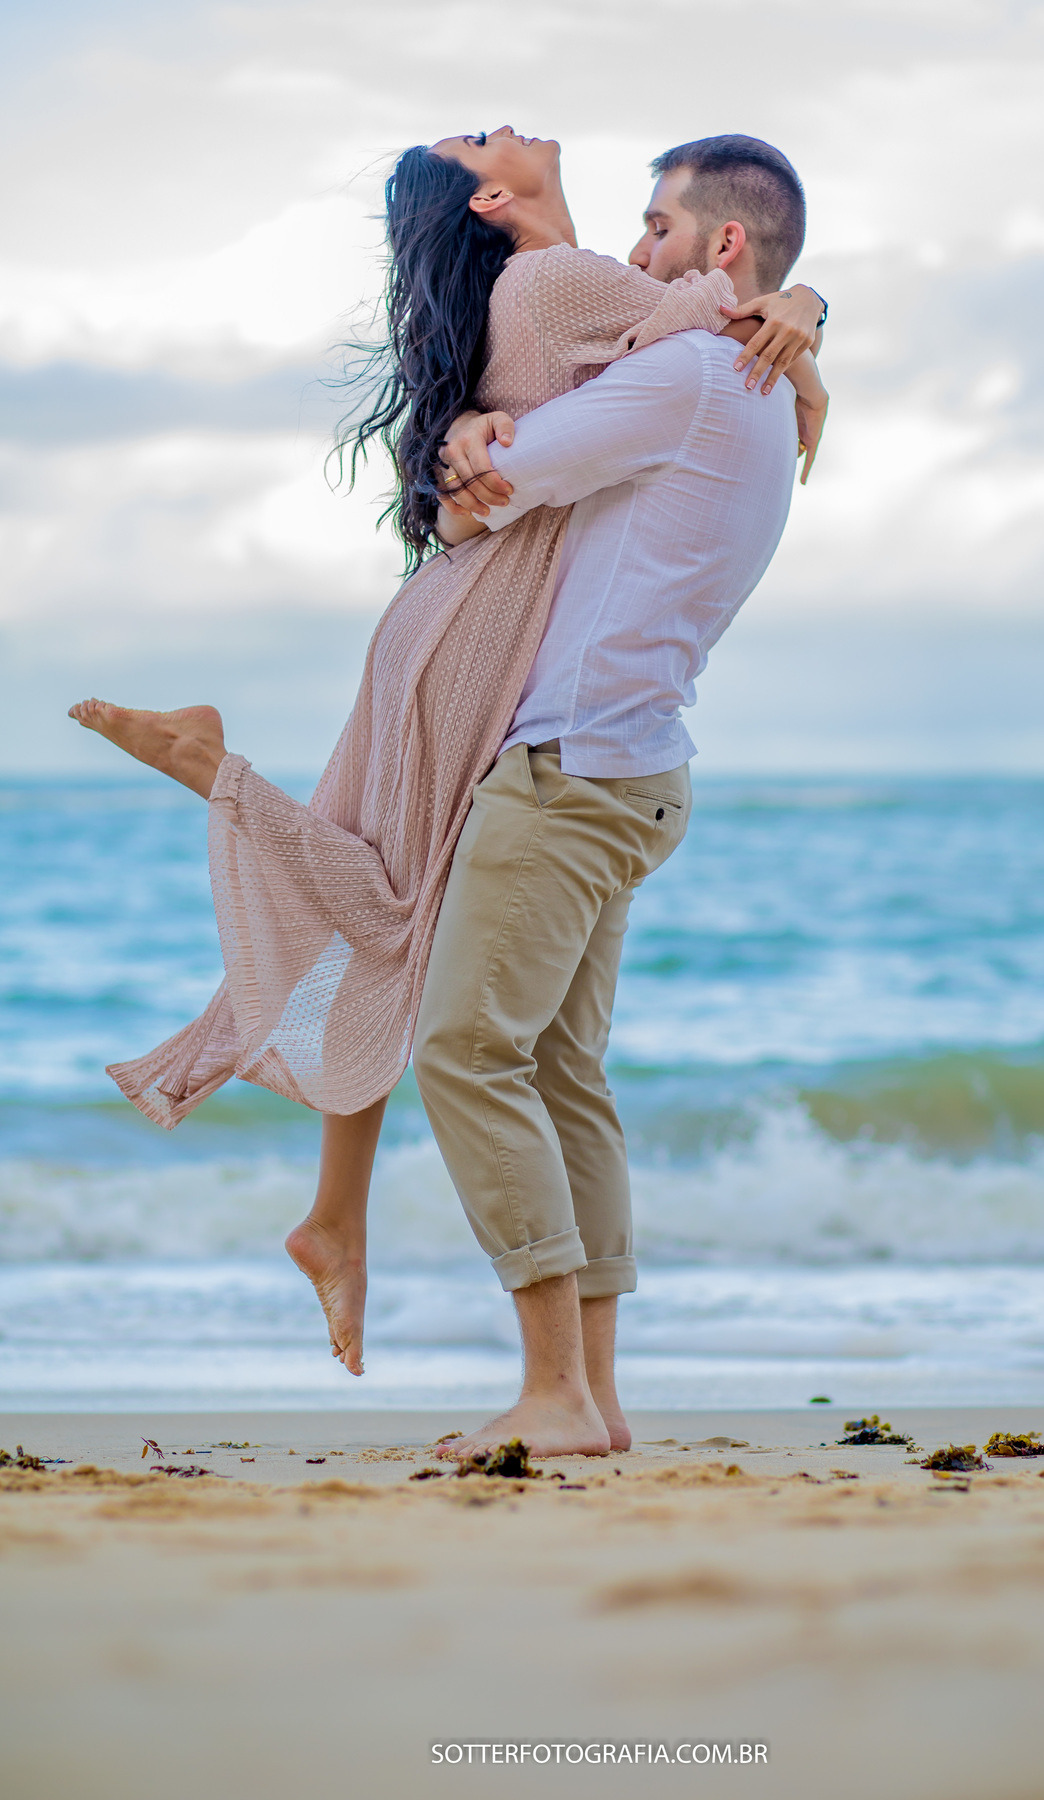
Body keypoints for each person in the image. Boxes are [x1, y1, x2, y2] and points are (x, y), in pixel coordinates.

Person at [67, 131, 825, 1436]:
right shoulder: (747, 377)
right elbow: (516, 450)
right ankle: (588, 1390)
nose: (644, 250)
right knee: (563, 1070)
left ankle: (550, 1393)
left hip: (570, 766)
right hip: (631, 772)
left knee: (469, 1051)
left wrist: (487, 436)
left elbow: (483, 484)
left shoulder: (692, 370)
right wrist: (807, 318)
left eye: (660, 228)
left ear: (726, 246)